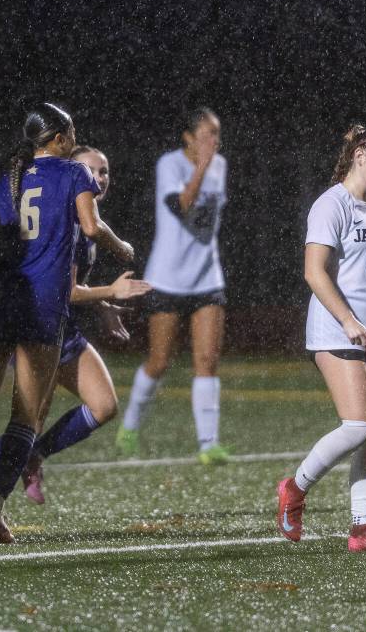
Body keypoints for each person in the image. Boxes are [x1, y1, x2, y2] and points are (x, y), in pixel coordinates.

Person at [0, 104, 134, 543]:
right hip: (43, 308)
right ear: (62, 138)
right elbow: (91, 224)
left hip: (5, 301)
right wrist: (121, 247)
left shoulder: (13, 177)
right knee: (26, 416)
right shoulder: (73, 174)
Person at [276, 125, 366, 553]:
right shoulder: (331, 204)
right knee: (358, 426)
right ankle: (295, 488)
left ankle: (363, 530)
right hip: (337, 330)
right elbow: (313, 272)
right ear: (359, 155)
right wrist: (349, 319)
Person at [116, 107, 231, 464]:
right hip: (166, 279)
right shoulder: (170, 164)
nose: (214, 141)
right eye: (207, 134)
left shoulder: (220, 165)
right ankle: (130, 427)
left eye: (217, 134)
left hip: (206, 278)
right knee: (159, 361)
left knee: (207, 361)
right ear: (188, 137)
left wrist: (211, 162)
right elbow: (182, 205)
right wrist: (201, 166)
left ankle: (208, 444)